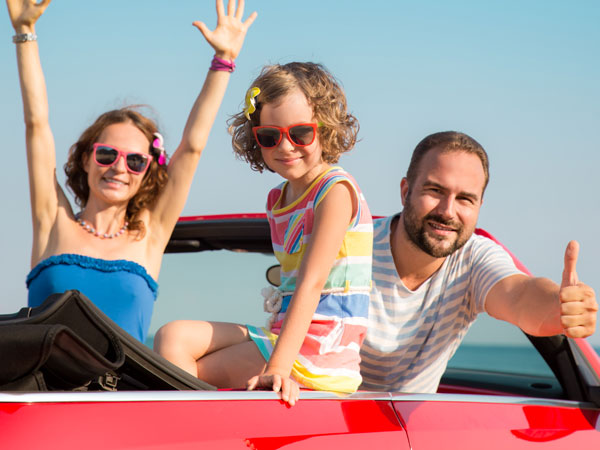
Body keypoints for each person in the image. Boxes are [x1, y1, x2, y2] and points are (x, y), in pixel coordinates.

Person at [7, 0, 256, 342]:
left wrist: (223, 61)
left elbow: (192, 149)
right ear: (85, 159)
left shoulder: (151, 233)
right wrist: (25, 34)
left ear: (147, 170)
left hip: (124, 395)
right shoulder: (52, 221)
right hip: (44, 394)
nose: (119, 168)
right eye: (107, 154)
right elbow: (37, 125)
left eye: (135, 160)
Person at [154, 62, 373, 406]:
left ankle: (202, 434)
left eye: (300, 134)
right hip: (285, 337)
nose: (286, 147)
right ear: (256, 140)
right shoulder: (278, 199)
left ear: (325, 129)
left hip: (320, 353)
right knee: (172, 337)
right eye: (270, 137)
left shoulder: (335, 191)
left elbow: (311, 283)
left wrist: (278, 369)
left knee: (189, 378)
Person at [359, 131, 598, 393]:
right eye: (435, 190)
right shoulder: (350, 244)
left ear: (479, 206)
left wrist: (558, 306)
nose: (448, 211)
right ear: (406, 191)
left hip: (405, 429)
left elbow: (518, 295)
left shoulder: (474, 259)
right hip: (328, 423)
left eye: (465, 199)